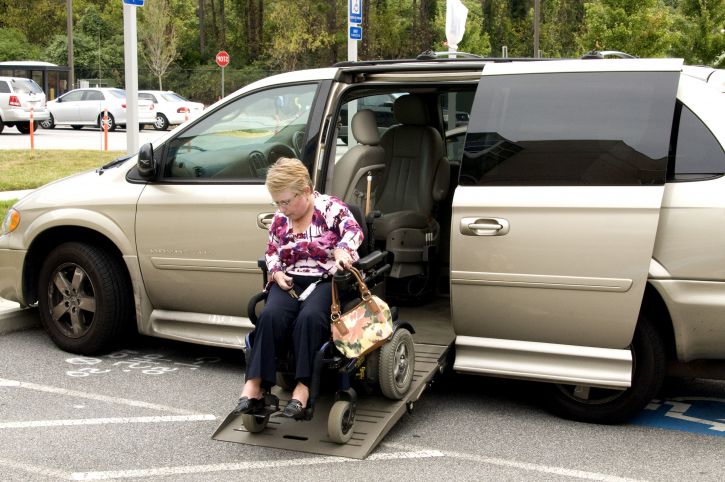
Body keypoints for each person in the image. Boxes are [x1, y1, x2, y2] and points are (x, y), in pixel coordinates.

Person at [234, 157, 364, 419]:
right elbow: (271, 251)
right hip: (291, 279)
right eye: (277, 202)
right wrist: (277, 272)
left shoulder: (330, 209)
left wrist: (342, 249)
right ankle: (255, 385)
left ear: (306, 190)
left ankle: (303, 388)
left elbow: (354, 232)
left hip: (327, 280)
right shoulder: (281, 220)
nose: (281, 209)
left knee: (309, 318)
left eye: (286, 201)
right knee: (270, 316)